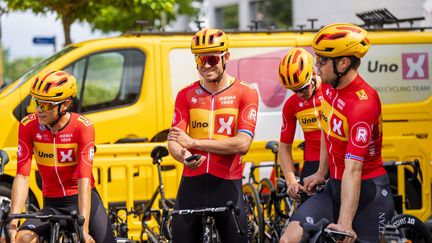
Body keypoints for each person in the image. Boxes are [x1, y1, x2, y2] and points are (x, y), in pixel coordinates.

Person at [281, 23, 395, 243]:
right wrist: (322, 171)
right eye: (317, 57)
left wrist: (344, 221)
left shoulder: (363, 103)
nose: (317, 65)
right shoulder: (331, 89)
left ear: (343, 63)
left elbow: (353, 169)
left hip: (367, 190)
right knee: (289, 238)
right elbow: (327, 130)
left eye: (322, 60)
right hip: (335, 184)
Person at [1, 71, 116, 243]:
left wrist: (83, 229)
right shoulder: (28, 126)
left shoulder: (82, 127)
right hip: (52, 204)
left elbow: (84, 180)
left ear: (66, 104)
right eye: (36, 102)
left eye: (46, 105)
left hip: (81, 201)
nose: (39, 109)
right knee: (21, 239)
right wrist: (13, 223)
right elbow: (23, 176)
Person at [167, 28, 258, 243]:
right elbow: (174, 141)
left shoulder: (245, 93)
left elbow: (243, 143)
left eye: (211, 59)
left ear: (226, 57)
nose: (206, 65)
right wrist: (183, 155)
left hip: (227, 185)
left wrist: (194, 142)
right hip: (192, 185)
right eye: (201, 60)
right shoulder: (185, 95)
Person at [277, 47, 323, 199]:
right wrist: (291, 181)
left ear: (313, 74)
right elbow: (284, 146)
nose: (300, 94)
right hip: (312, 162)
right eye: (294, 90)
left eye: (303, 88)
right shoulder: (291, 105)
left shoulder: (332, 91)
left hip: (337, 162)